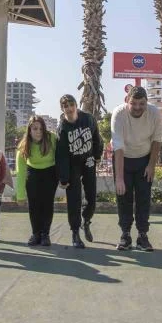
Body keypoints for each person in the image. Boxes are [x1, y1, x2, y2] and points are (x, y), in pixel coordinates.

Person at [111, 85, 162, 251]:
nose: (138, 107)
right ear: (127, 101)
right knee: (123, 197)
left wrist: (151, 165)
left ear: (146, 103)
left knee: (143, 198)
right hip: (123, 159)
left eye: (142, 104)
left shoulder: (154, 113)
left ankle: (142, 236)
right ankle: (125, 235)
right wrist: (119, 178)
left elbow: (157, 140)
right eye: (134, 103)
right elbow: (117, 147)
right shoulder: (118, 114)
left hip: (144, 159)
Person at [56, 94, 103, 249]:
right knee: (74, 199)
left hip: (88, 160)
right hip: (72, 165)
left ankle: (86, 220)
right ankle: (75, 232)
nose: (69, 109)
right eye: (65, 106)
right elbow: (61, 154)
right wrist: (64, 177)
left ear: (76, 105)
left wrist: (97, 155)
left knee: (91, 197)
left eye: (71, 105)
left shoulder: (88, 119)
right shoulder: (62, 128)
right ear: (62, 109)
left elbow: (97, 138)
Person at [16, 115, 58, 246]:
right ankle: (36, 234)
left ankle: (45, 234)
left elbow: (61, 157)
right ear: (29, 130)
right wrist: (20, 195)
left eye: (40, 128)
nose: (38, 131)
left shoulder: (52, 138)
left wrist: (63, 177)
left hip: (50, 173)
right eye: (35, 128)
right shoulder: (23, 146)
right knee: (34, 205)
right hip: (32, 173)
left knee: (47, 204)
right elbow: (21, 173)